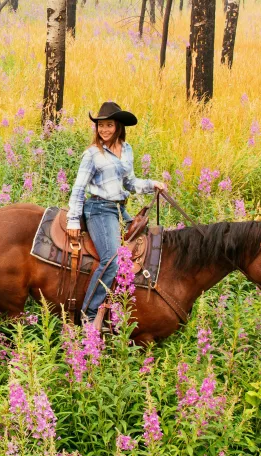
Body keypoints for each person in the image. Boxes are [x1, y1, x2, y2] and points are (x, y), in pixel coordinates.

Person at [66, 101, 167, 326]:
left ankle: (130, 304)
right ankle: (89, 315)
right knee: (111, 258)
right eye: (100, 125)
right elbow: (79, 188)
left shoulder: (126, 149)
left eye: (109, 125)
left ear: (118, 126)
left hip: (119, 209)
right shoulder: (93, 154)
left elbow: (130, 183)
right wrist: (73, 219)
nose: (104, 130)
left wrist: (153, 185)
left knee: (148, 246)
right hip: (99, 209)